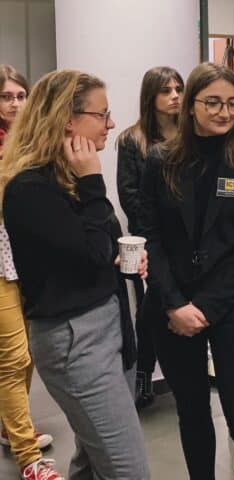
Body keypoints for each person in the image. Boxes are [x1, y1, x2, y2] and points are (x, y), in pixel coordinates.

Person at [0, 69, 150, 479]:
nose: (111, 123)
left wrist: (117, 262)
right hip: (76, 342)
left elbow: (92, 254)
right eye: (102, 114)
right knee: (128, 470)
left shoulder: (66, 179)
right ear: (69, 119)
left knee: (91, 463)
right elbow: (87, 253)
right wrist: (93, 183)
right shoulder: (29, 188)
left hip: (104, 327)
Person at [140, 62, 234, 480]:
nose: (224, 112)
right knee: (192, 413)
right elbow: (150, 238)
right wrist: (176, 304)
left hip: (233, 304)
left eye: (232, 103)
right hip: (173, 303)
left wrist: (207, 307)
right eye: (213, 102)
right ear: (191, 106)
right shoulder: (161, 161)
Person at [0, 65, 60, 479]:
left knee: (29, 355)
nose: (15, 104)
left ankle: (10, 428)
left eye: (21, 96)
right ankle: (28, 458)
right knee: (12, 356)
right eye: (6, 97)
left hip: (25, 256)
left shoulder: (29, 141)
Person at [117, 65, 184, 409]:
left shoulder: (191, 135)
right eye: (166, 90)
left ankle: (181, 373)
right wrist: (154, 236)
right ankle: (144, 373)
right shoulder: (132, 140)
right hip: (149, 243)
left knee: (181, 306)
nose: (174, 96)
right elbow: (129, 196)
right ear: (151, 97)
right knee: (150, 309)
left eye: (178, 89)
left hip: (188, 243)